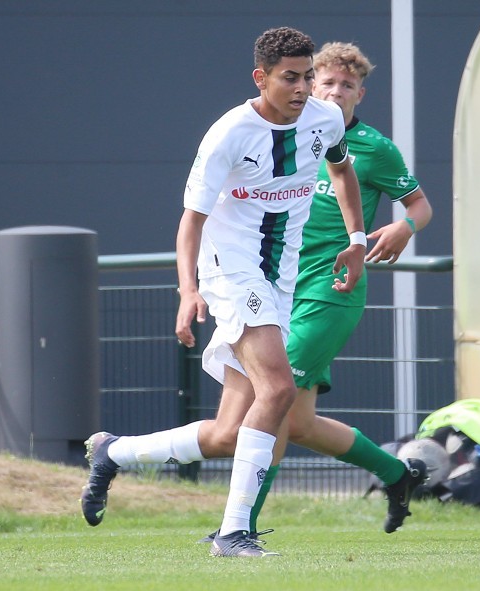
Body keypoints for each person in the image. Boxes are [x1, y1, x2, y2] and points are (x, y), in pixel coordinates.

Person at [80, 26, 369, 558]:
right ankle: (234, 534)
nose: (303, 88)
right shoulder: (228, 134)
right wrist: (188, 291)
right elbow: (190, 222)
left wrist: (356, 240)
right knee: (278, 390)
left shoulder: (325, 119)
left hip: (279, 277)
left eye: (308, 76)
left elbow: (342, 170)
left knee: (230, 433)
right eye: (290, 78)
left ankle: (113, 453)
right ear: (261, 78)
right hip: (231, 270)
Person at [206, 41, 434, 539]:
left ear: (360, 94)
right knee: (300, 422)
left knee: (272, 400)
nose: (333, 91)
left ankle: (241, 525)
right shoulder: (288, 133)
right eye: (325, 81)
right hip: (282, 283)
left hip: (331, 290)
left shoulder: (373, 147)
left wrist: (404, 227)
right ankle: (398, 474)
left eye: (346, 85)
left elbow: (420, 205)